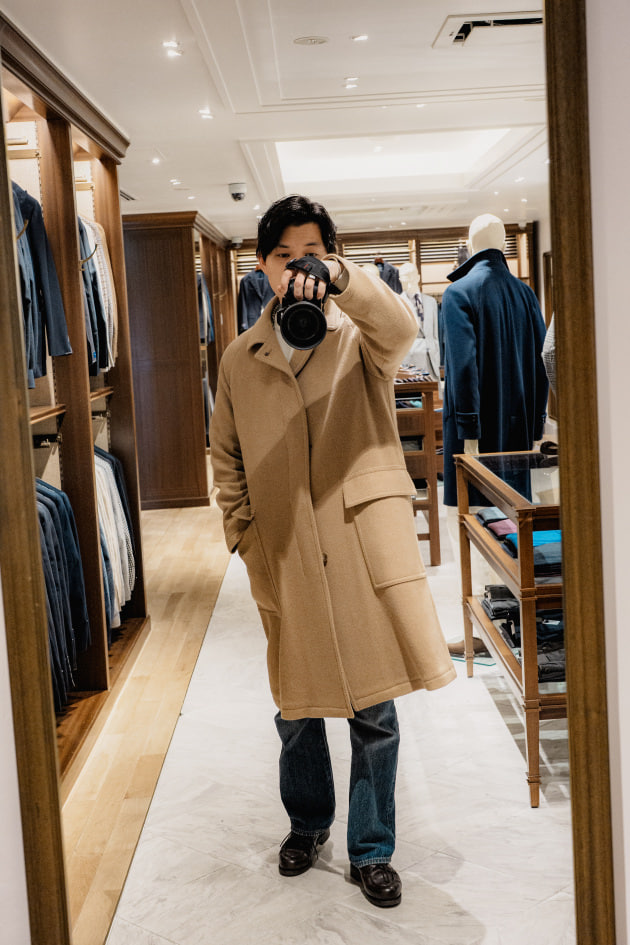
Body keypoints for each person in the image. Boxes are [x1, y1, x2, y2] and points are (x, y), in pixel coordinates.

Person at [210, 195, 456, 908]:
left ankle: (372, 848)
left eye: (311, 253)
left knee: (374, 707)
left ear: (331, 257)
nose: (296, 267)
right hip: (284, 549)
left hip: (359, 544)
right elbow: (226, 457)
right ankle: (308, 823)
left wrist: (342, 279)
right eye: (283, 255)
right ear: (262, 266)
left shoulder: (360, 337)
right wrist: (246, 537)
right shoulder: (241, 357)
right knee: (296, 708)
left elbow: (403, 326)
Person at [441, 214, 548, 656]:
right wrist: (537, 426)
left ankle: (481, 632)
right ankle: (511, 624)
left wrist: (467, 431)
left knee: (469, 528)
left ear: (470, 244)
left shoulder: (458, 292)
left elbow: (462, 368)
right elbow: (543, 363)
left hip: (477, 437)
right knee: (511, 525)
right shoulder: (526, 294)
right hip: (519, 434)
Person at [398, 261, 441, 381]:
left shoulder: (431, 302)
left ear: (417, 277)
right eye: (403, 277)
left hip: (431, 359)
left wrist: (436, 354)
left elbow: (435, 334)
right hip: (409, 362)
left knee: (434, 391)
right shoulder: (397, 303)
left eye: (410, 275)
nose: (407, 280)